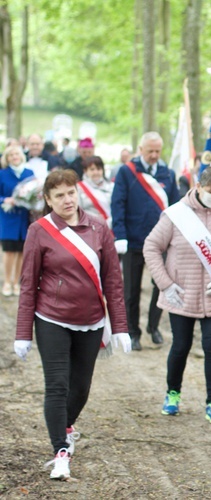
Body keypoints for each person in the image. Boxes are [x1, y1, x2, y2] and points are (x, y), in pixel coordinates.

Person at [13, 169, 130, 480]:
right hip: (51, 317)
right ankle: (60, 451)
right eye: (59, 195)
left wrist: (120, 326)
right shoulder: (39, 231)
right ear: (48, 200)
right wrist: (23, 333)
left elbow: (113, 282)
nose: (67, 199)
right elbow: (28, 284)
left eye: (70, 193)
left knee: (80, 388)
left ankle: (65, 425)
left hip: (91, 320)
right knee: (57, 385)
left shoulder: (99, 227)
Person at [144, 167, 211, 424]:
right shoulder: (177, 215)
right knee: (180, 345)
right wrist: (165, 283)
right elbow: (152, 247)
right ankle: (173, 393)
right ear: (199, 186)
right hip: (181, 293)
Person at [112, 131, 180, 350]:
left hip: (161, 242)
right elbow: (117, 205)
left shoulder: (168, 174)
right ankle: (133, 331)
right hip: (133, 241)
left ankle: (153, 326)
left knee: (161, 286)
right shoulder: (126, 172)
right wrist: (120, 235)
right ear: (140, 149)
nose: (153, 155)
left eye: (157, 151)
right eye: (150, 151)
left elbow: (177, 207)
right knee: (131, 290)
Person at [0, 145, 34, 296]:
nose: (14, 157)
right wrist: (5, 199)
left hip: (25, 218)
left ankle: (16, 282)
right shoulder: (3, 174)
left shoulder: (29, 173)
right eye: (11, 155)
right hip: (9, 218)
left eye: (17, 154)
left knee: (21, 252)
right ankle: (7, 281)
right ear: (7, 158)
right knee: (9, 251)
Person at [77, 156, 114, 228]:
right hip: (91, 229)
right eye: (92, 169)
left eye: (98, 169)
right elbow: (77, 212)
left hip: (111, 228)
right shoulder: (79, 188)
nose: (96, 172)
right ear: (85, 171)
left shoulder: (112, 186)